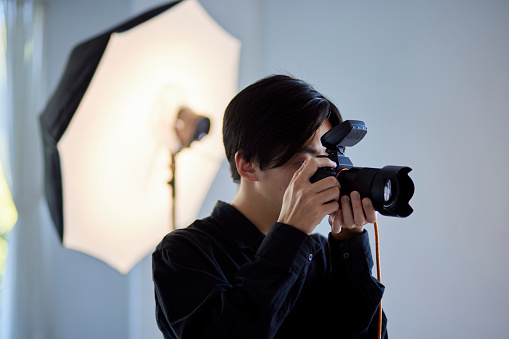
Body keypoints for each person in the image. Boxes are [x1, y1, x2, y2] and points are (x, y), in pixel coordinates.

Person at [152, 75, 388, 338]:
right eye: (303, 163)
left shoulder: (322, 253)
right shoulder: (183, 252)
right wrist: (290, 234)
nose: (324, 178)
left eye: (326, 163)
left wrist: (350, 245)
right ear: (248, 165)